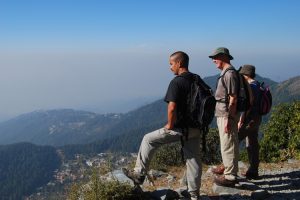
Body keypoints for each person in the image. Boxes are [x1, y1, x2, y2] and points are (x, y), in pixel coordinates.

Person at [122, 51, 202, 200]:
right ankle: (194, 195)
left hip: (180, 129)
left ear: (179, 63)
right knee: (193, 160)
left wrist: (170, 125)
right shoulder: (197, 79)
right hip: (197, 128)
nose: (170, 67)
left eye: (171, 64)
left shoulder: (177, 82)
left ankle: (139, 174)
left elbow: (172, 107)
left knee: (148, 139)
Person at [208, 47, 240, 186]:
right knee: (227, 144)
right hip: (223, 113)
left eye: (215, 57)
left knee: (228, 144)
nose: (213, 60)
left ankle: (230, 177)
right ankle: (229, 171)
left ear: (224, 57)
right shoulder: (227, 73)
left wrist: (229, 117)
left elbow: (233, 98)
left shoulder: (229, 74)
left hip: (226, 114)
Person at [238, 64, 262, 179]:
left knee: (233, 141)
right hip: (257, 119)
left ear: (246, 75)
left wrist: (241, 120)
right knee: (253, 144)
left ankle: (227, 169)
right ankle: (253, 171)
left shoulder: (251, 87)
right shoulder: (258, 85)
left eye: (242, 75)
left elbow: (249, 105)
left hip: (249, 120)